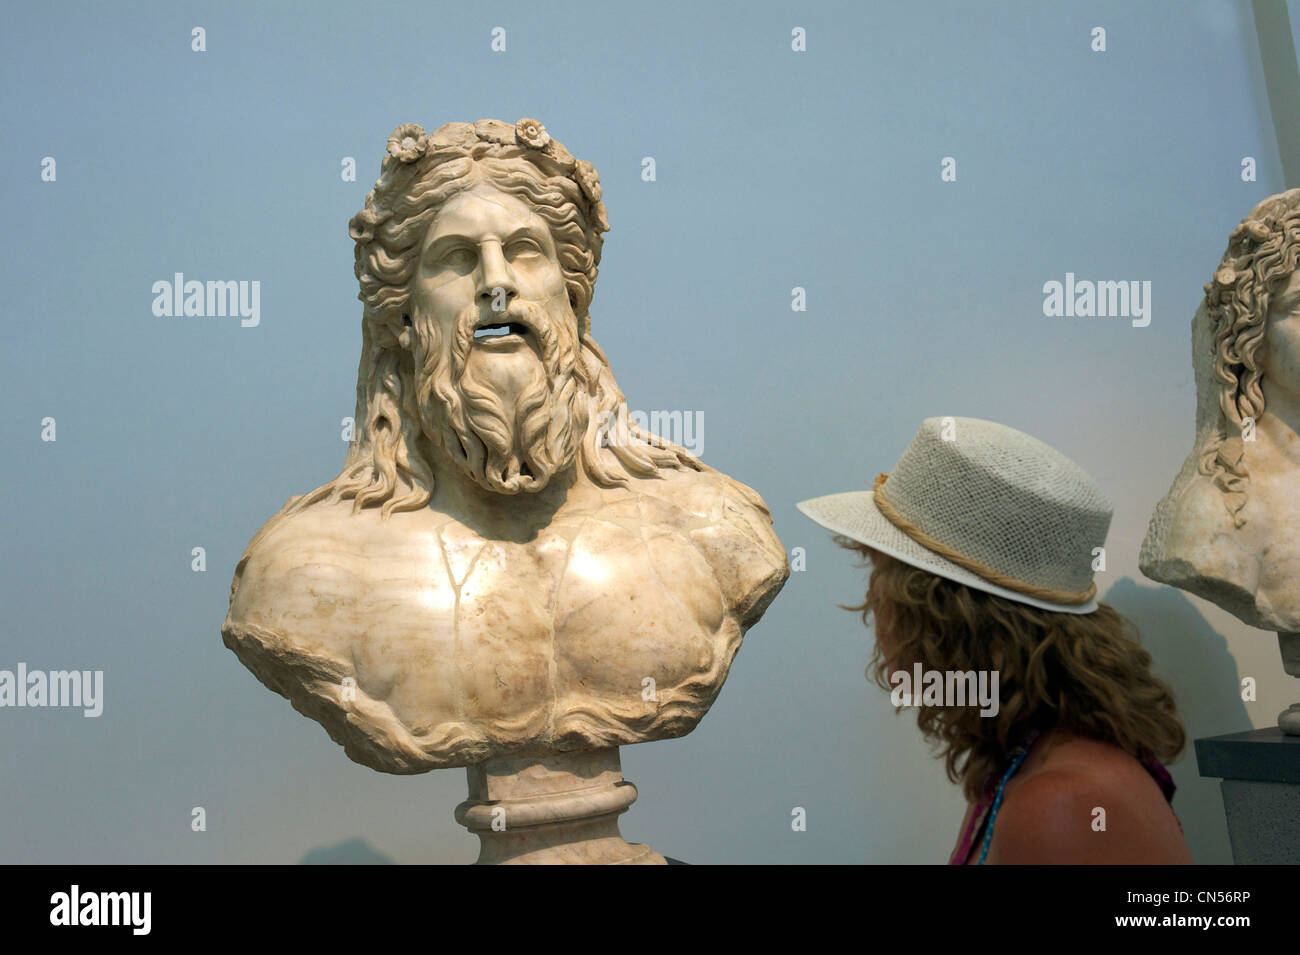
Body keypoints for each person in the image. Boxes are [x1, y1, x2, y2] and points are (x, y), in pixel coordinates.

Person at [798, 416, 1192, 864]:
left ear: (939, 619)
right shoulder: (1032, 765)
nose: (871, 607)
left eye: (879, 578)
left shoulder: (1059, 805)